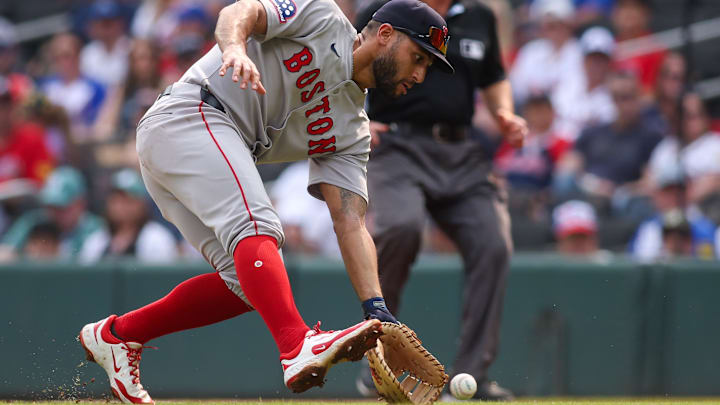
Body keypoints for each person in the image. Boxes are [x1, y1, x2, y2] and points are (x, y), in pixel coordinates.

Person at [78, 0, 453, 403]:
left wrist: (377, 308)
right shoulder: (321, 15)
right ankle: (296, 344)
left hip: (195, 146)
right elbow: (239, 13)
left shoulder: (352, 131)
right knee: (259, 228)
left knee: (245, 284)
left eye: (427, 66)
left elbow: (350, 222)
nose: (419, 74)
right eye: (418, 57)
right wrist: (234, 48)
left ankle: (119, 336)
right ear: (385, 35)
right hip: (192, 113)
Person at [353, 0, 526, 400]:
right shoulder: (383, 10)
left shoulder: (479, 16)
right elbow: (347, 66)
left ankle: (473, 376)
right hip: (395, 144)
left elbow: (495, 76)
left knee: (494, 244)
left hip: (460, 150)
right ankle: (379, 358)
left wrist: (504, 113)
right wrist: (358, 118)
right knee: (400, 228)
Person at [79, 168, 179, 263]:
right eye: (116, 199)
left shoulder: (156, 238)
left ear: (142, 204)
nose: (121, 206)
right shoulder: (97, 240)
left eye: (128, 200)